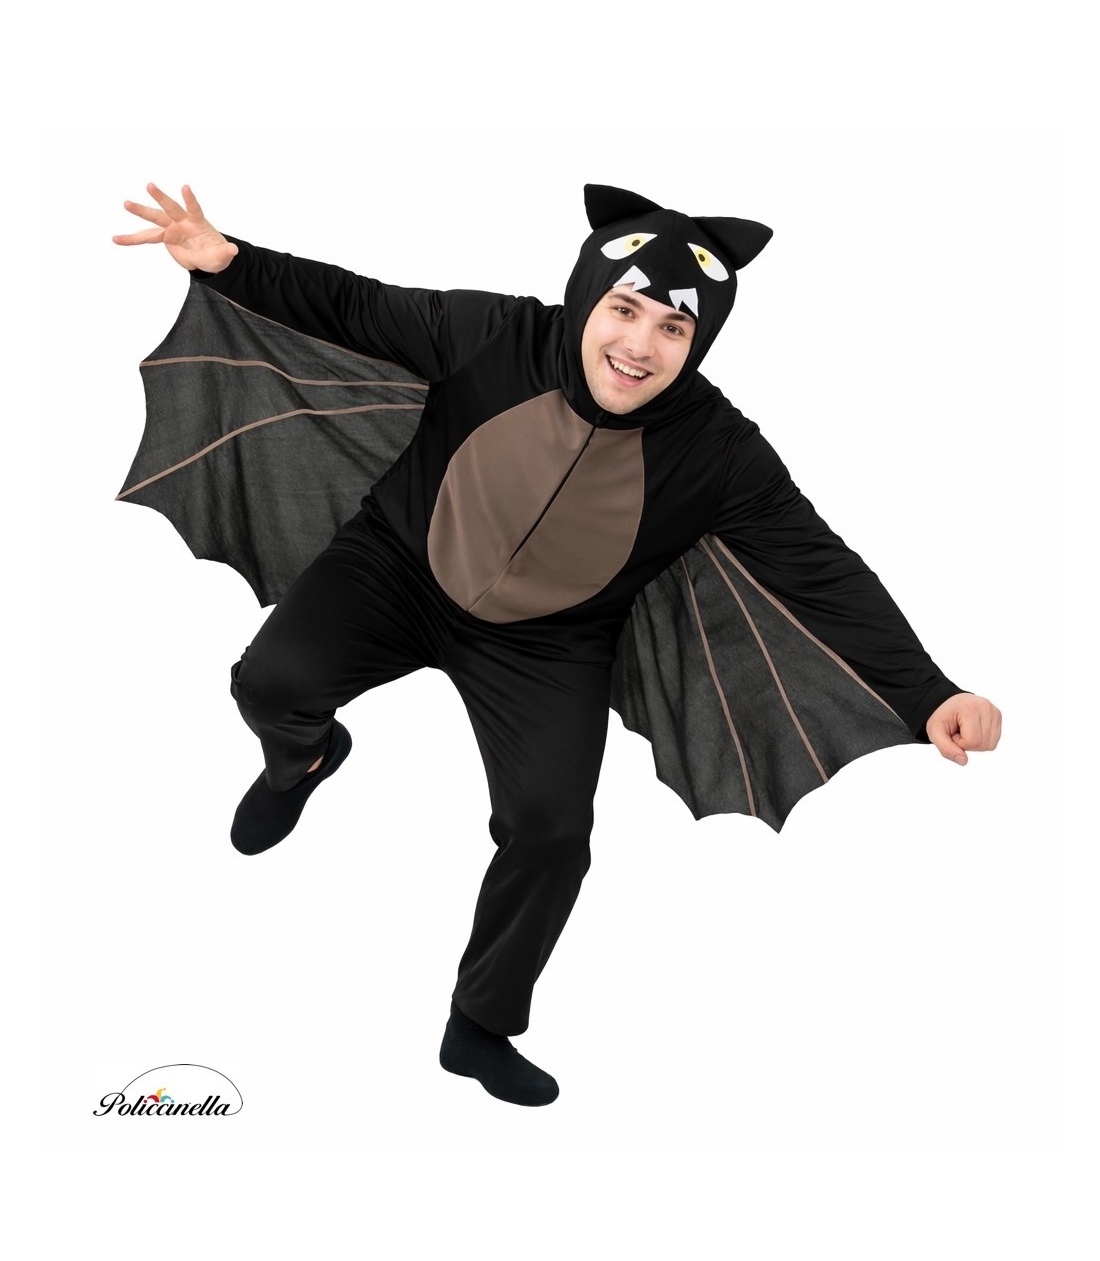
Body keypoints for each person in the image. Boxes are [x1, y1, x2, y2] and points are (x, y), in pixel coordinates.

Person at [114, 182, 1002, 1108]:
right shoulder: (495, 334)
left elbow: (822, 572)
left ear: (698, 344)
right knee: (270, 682)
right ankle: (302, 759)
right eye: (625, 309)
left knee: (551, 830)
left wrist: (929, 693)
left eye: (674, 328)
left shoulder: (720, 451)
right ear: (586, 298)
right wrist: (233, 263)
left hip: (550, 641)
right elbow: (353, 305)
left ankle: (479, 1025)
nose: (640, 345)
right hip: (399, 564)